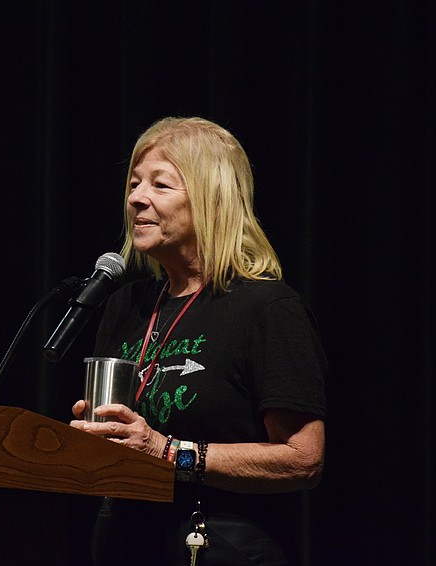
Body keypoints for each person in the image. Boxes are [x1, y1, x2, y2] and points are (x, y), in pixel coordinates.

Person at [69, 117, 326, 565]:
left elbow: (302, 460)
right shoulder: (126, 305)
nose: (135, 198)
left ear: (211, 199)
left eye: (160, 185)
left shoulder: (266, 308)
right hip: (125, 541)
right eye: (133, 183)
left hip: (219, 545)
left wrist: (169, 451)